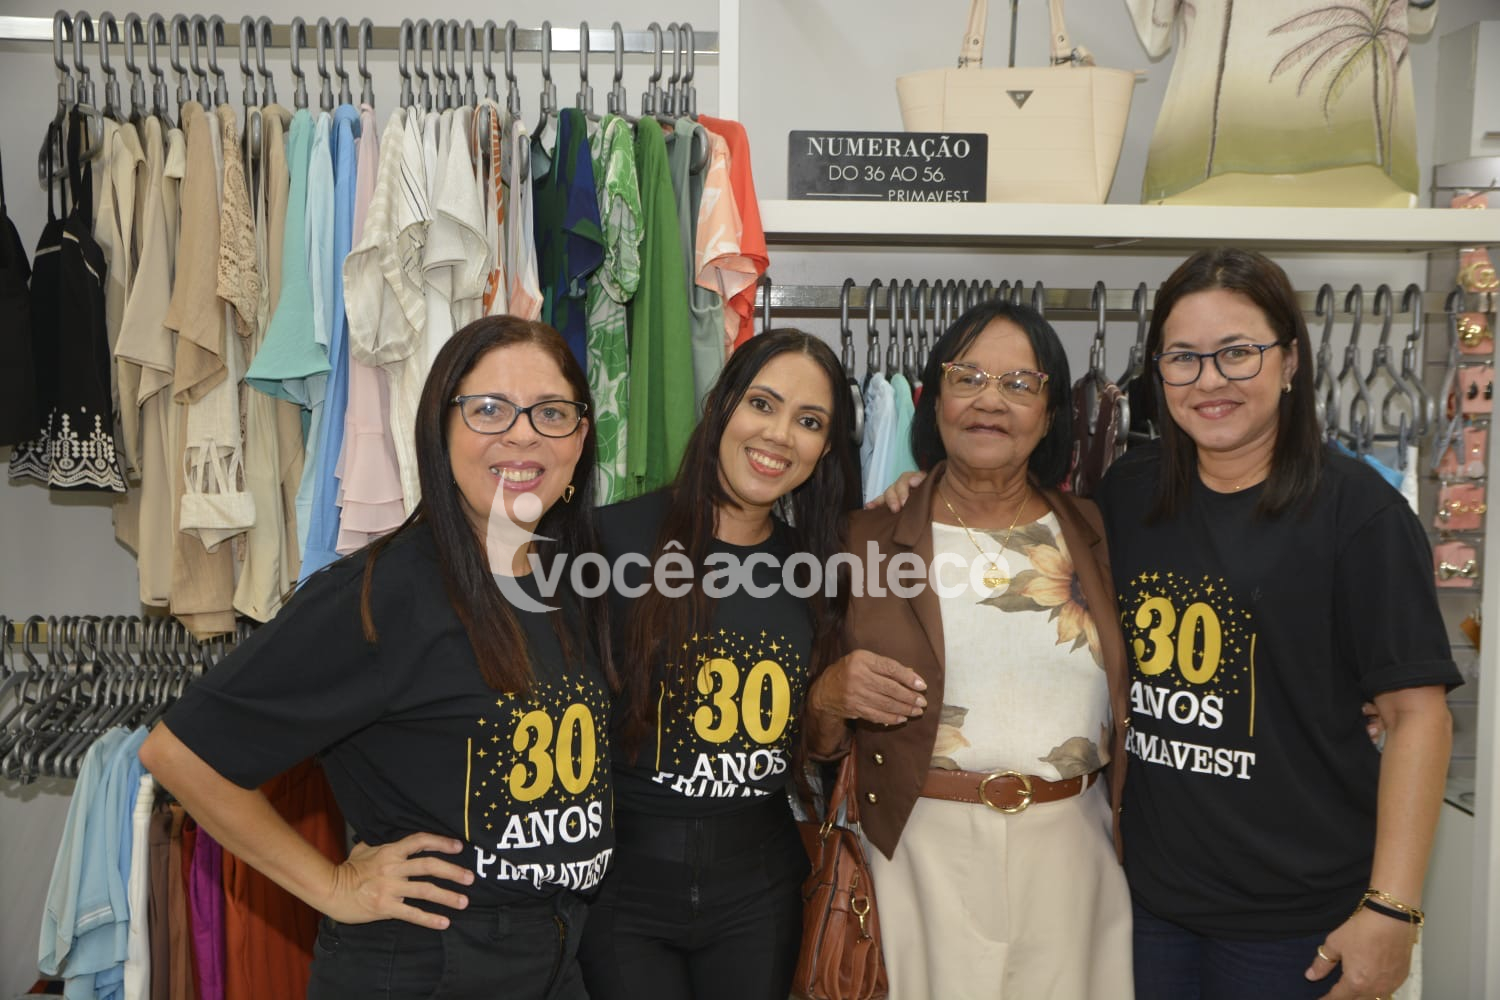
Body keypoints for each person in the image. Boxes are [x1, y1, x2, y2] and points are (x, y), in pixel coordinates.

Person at [138, 317, 617, 1000]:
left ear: (581, 436)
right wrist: (335, 886)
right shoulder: (380, 594)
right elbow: (179, 753)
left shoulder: (569, 580)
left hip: (556, 956)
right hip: (428, 968)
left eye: (551, 412)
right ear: (439, 430)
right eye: (488, 410)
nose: (522, 435)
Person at [1092, 248, 1458, 1000]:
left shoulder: (1360, 513)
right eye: (1183, 357)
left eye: (1238, 352)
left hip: (1299, 919)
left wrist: (1392, 907)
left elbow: (1416, 715)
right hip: (1148, 901)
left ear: (1290, 362)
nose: (1210, 381)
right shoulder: (1126, 495)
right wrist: (916, 490)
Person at [805, 300, 1134, 999]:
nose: (991, 400)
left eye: (1019, 383)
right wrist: (829, 696)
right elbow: (813, 742)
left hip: (1072, 858)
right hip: (917, 859)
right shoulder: (865, 540)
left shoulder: (1098, 531)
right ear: (935, 399)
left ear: (1051, 411)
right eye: (968, 377)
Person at [577, 329, 861, 1000]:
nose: (779, 435)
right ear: (720, 405)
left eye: (810, 421)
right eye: (762, 404)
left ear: (825, 449)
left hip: (760, 893)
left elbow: (821, 748)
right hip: (621, 893)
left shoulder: (823, 570)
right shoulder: (607, 543)